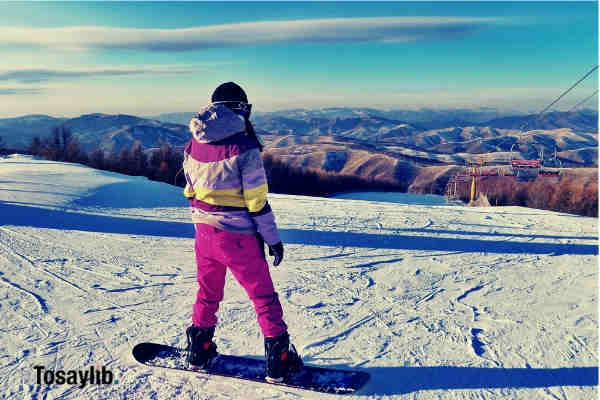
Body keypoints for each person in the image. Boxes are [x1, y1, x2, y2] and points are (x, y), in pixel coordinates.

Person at [182, 82, 303, 383]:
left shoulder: (193, 142)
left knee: (208, 293)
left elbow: (189, 189)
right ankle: (279, 360)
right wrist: (273, 240)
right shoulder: (245, 147)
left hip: (204, 233)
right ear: (239, 108)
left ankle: (199, 349)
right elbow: (257, 202)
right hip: (237, 237)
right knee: (263, 296)